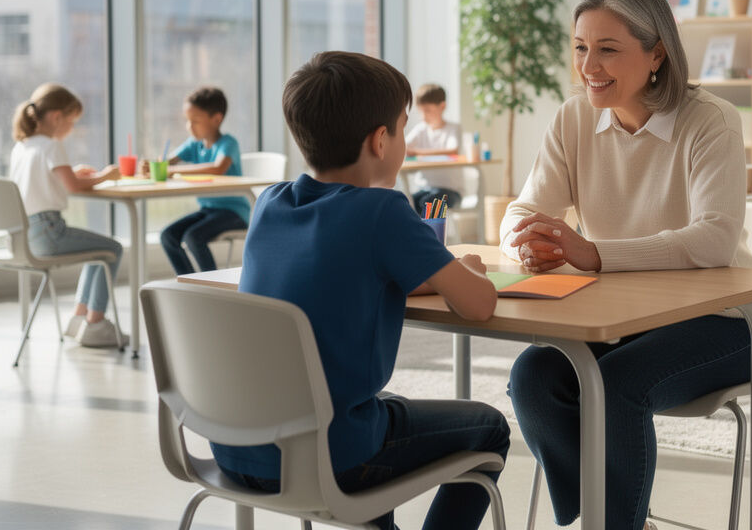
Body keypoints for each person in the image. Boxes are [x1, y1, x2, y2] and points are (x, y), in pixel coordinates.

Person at [210, 51, 508, 530]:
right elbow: (479, 304)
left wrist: (428, 270)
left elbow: (341, 268)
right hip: (330, 458)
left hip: (238, 449)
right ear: (381, 140)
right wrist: (463, 268)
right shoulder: (382, 212)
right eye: (403, 129)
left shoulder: (270, 202)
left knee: (375, 413)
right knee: (489, 427)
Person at [500, 0, 752, 530]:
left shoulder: (710, 120)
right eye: (580, 47)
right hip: (622, 319)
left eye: (608, 49)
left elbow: (714, 238)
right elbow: (523, 209)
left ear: (657, 53)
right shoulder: (573, 118)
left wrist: (593, 254)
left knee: (616, 386)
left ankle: (615, 522)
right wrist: (525, 243)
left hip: (724, 321)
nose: (588, 66)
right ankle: (608, 519)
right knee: (534, 376)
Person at [8, 83, 125, 348]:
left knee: (97, 251)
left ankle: (79, 318)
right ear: (56, 117)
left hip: (23, 235)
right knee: (113, 249)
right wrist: (105, 175)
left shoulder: (22, 147)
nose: (71, 129)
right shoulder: (52, 145)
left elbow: (45, 180)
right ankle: (95, 323)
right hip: (49, 232)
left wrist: (72, 172)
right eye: (71, 122)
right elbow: (72, 186)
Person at [156, 87, 251, 274]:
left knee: (193, 237)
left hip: (234, 213)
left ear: (216, 119)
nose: (189, 126)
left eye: (195, 121)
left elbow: (218, 168)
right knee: (168, 236)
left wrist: (172, 171)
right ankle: (190, 282)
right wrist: (156, 165)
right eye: (188, 121)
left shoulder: (228, 143)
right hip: (207, 210)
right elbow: (168, 163)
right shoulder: (194, 144)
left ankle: (211, 283)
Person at [405, 83, 463, 215]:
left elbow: (453, 151)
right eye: (421, 111)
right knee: (405, 203)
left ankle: (431, 229)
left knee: (430, 203)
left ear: (442, 106)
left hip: (450, 191)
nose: (423, 116)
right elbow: (405, 147)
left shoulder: (453, 129)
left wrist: (417, 152)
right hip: (424, 188)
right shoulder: (420, 129)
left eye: (427, 110)